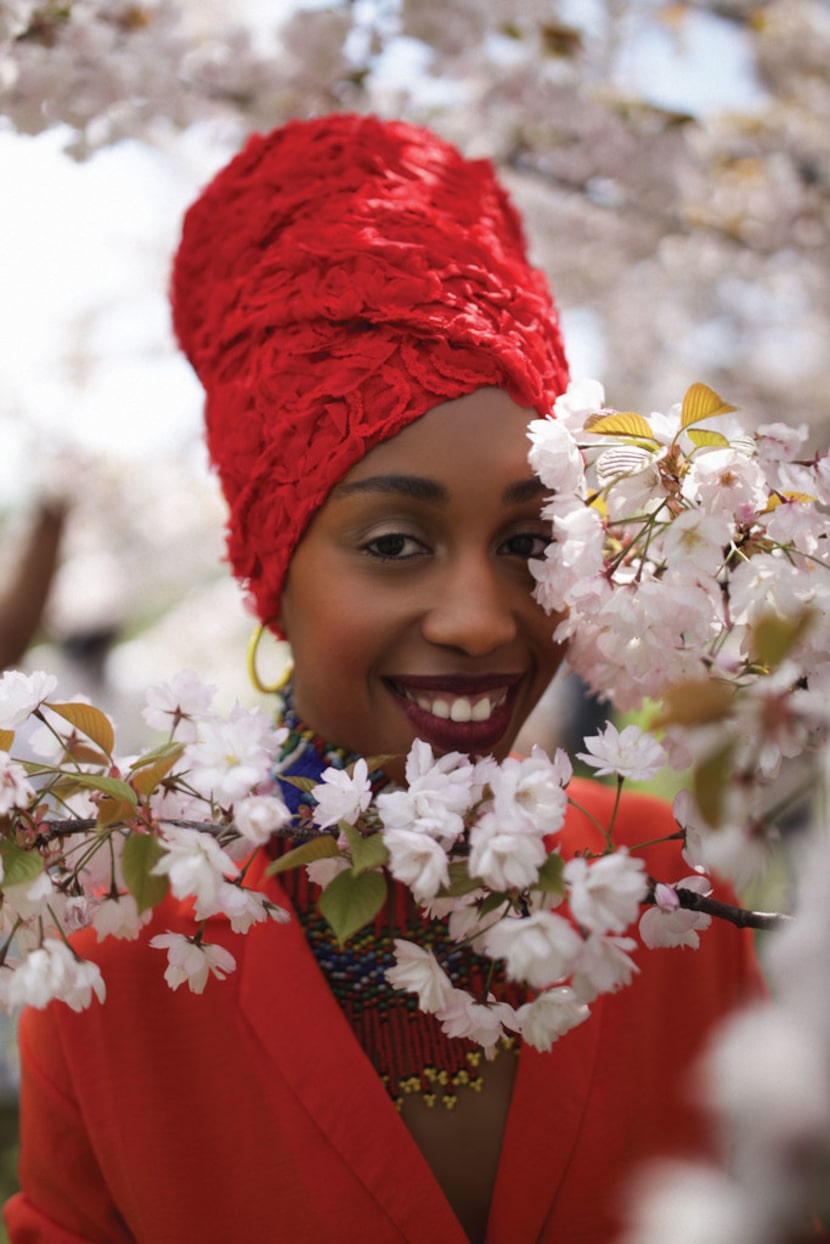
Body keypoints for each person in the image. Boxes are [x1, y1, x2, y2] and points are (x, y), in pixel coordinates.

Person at [5, 114, 762, 1244]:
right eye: (393, 542)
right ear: (272, 578)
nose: (477, 620)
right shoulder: (116, 954)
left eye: (524, 543)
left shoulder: (670, 895)